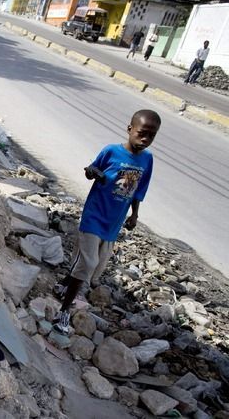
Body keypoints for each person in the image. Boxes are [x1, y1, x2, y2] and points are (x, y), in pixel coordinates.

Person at [52, 109, 160, 334]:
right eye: (141, 133)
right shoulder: (111, 151)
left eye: (151, 135)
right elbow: (91, 171)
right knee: (87, 264)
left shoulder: (147, 160)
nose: (145, 139)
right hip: (94, 215)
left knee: (96, 267)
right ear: (130, 129)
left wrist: (134, 215)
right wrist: (92, 173)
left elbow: (139, 190)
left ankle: (63, 284)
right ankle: (62, 312)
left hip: (114, 221)